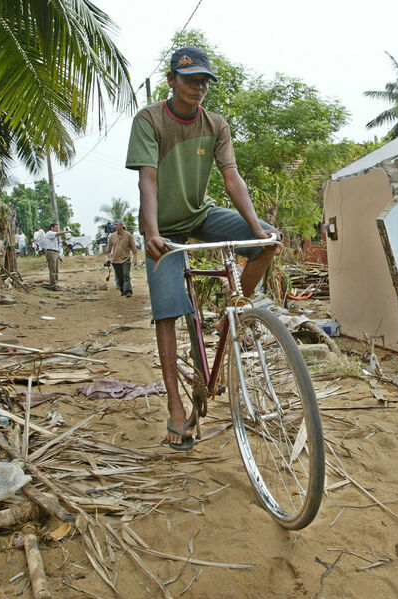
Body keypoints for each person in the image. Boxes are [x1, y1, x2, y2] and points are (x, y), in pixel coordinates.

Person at [125, 46, 280, 451]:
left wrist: (257, 230)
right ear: (172, 80)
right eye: (190, 79)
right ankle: (177, 409)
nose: (198, 87)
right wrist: (152, 233)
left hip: (200, 215)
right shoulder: (149, 120)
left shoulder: (216, 123)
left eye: (204, 81)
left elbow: (232, 178)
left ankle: (235, 318)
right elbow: (148, 181)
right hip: (164, 231)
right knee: (168, 313)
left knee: (268, 241)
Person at [104, 220, 138, 296]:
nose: (115, 226)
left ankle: (128, 291)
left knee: (126, 275)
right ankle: (123, 290)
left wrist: (135, 258)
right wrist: (108, 259)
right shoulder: (112, 236)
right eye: (114, 225)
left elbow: (133, 248)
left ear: (121, 225)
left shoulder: (128, 235)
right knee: (120, 277)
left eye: (117, 225)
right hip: (115, 261)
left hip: (126, 259)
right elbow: (108, 250)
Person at [40, 223, 72, 290]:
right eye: (56, 227)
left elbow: (55, 246)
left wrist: (59, 255)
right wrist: (67, 232)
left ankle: (55, 284)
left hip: (55, 252)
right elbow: (58, 234)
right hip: (51, 252)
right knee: (53, 270)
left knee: (56, 270)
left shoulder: (53, 236)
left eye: (57, 227)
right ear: (52, 228)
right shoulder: (49, 233)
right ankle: (53, 286)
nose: (57, 229)